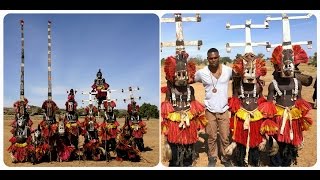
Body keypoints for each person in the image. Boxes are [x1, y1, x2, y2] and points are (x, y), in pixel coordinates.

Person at [260, 45, 313, 166]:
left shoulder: (297, 83)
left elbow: (299, 101)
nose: (287, 68)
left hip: (293, 117)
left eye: (290, 65)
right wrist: (268, 123)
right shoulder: (273, 85)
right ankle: (275, 163)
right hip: (278, 117)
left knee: (291, 142)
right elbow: (269, 105)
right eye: (284, 65)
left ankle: (287, 162)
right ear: (278, 66)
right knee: (278, 140)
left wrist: (301, 119)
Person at [161, 51, 207, 167]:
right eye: (178, 74)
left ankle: (187, 163)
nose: (181, 78)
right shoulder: (170, 90)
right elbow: (166, 109)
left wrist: (197, 123)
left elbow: (194, 107)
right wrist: (166, 125)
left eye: (184, 74)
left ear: (188, 74)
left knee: (189, 145)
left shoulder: (190, 89)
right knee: (174, 146)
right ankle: (175, 163)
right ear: (173, 74)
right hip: (174, 122)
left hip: (189, 121)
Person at [191, 48, 233, 167]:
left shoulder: (228, 70)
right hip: (209, 110)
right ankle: (212, 157)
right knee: (211, 136)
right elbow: (188, 80)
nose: (213, 60)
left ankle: (226, 158)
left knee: (225, 137)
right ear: (207, 59)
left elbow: (240, 78)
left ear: (219, 57)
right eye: (211, 58)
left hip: (224, 109)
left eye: (215, 58)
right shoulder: (202, 73)